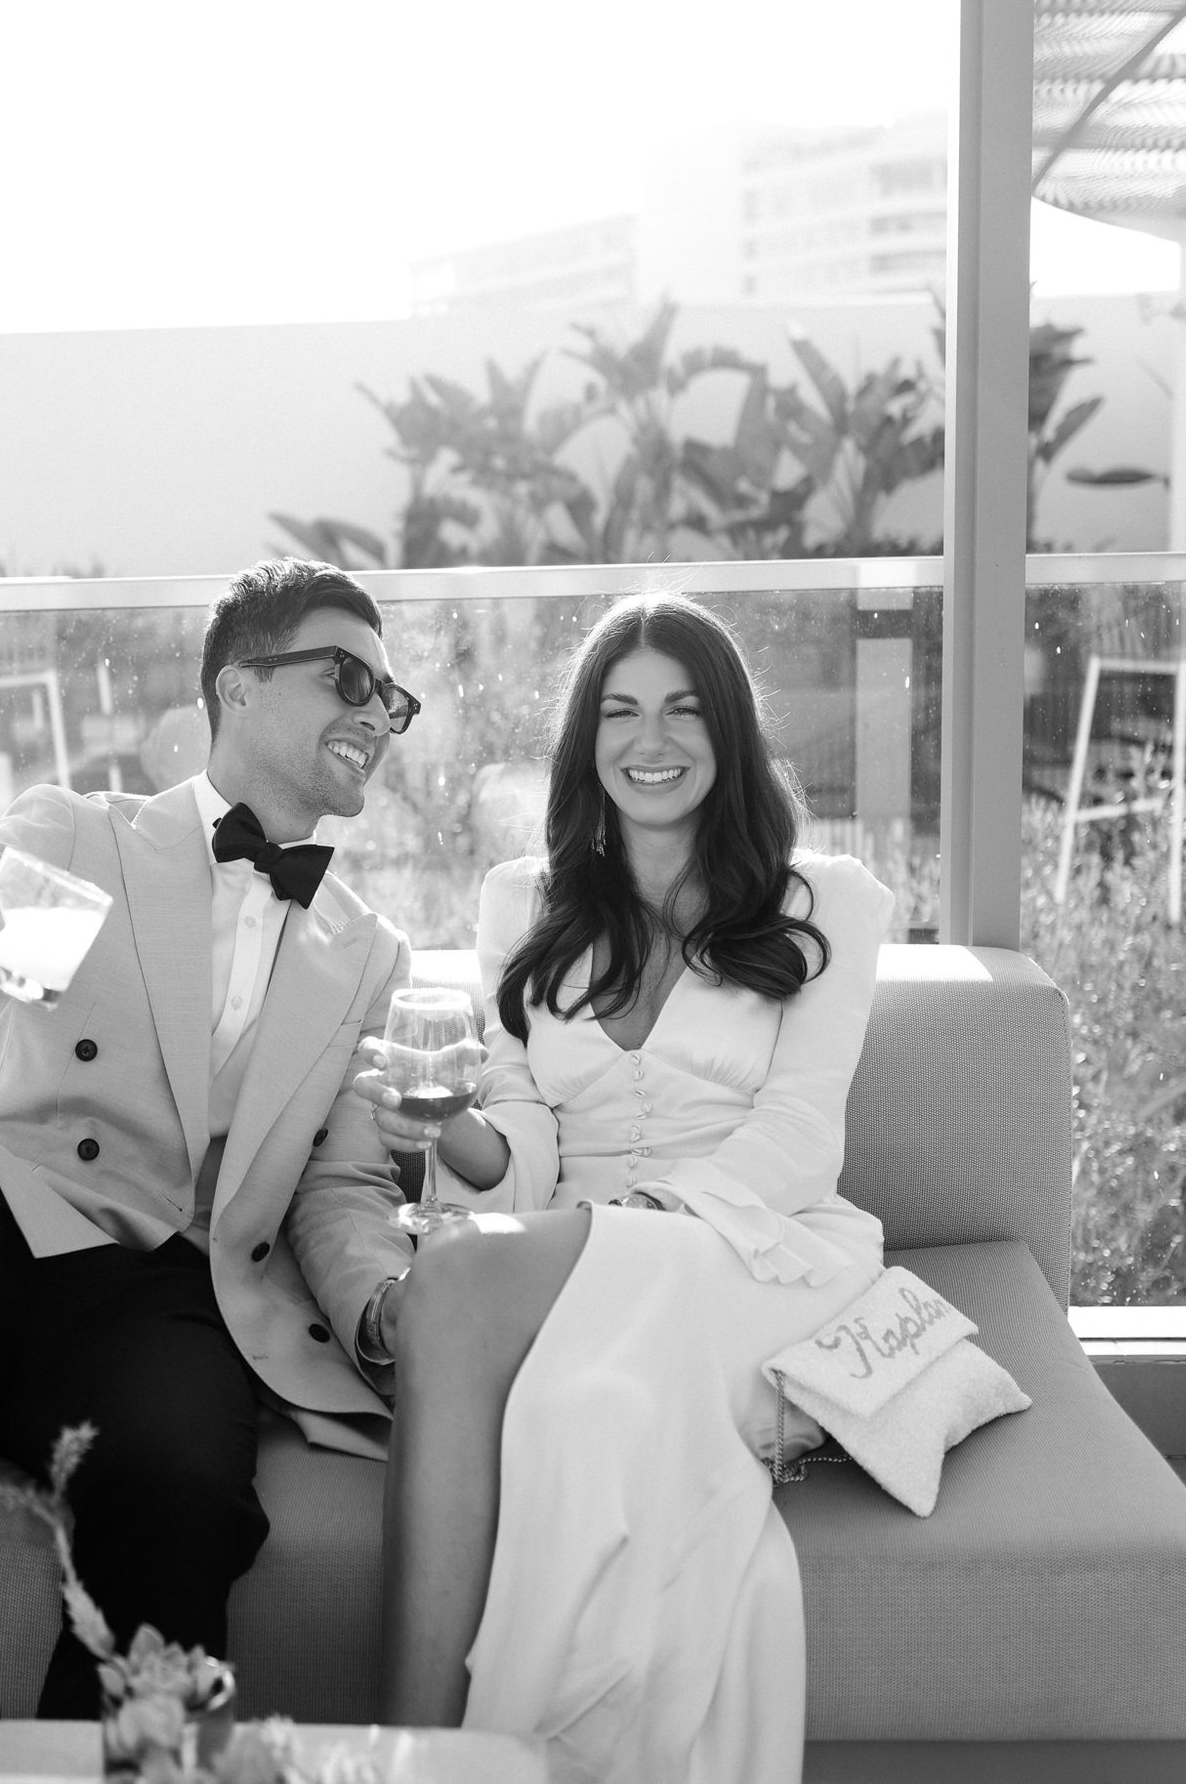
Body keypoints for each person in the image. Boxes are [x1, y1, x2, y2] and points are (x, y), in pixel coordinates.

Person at [0, 558, 422, 1720]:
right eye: (347, 677)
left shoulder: (366, 954)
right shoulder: (89, 842)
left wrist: (385, 1306)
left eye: (394, 698)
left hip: (151, 1294)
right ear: (238, 685)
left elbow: (339, 1185)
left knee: (181, 1485)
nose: (377, 713)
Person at [356, 592, 894, 1783]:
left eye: (683, 710)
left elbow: (801, 1135)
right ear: (586, 740)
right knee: (570, 1405)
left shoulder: (826, 902)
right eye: (621, 712)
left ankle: (406, 1755)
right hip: (576, 1254)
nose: (651, 740)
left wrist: (626, 1227)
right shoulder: (521, 901)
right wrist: (453, 1138)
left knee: (453, 1281)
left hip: (758, 1251)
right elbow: (526, 1138)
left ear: (728, 731)